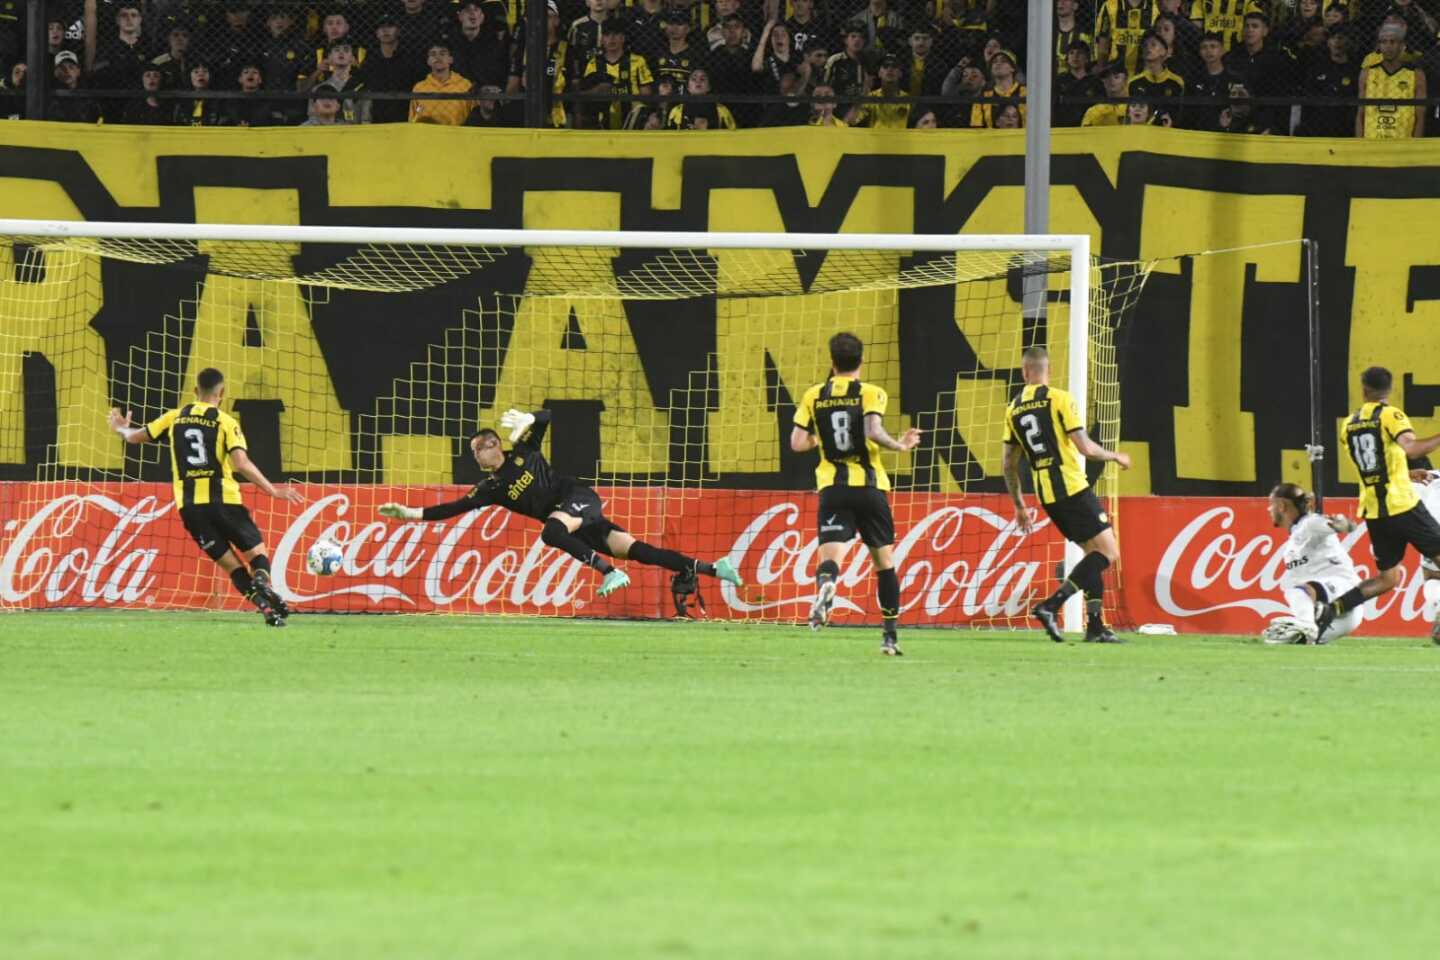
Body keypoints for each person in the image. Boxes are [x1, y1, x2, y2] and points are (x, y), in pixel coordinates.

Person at [377, 409, 742, 601]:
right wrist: (409, 514)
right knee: (640, 551)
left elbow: (548, 417)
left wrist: (532, 419)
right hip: (579, 519)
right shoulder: (490, 488)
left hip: (579, 500)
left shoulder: (524, 452)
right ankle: (714, 568)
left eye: (478, 449)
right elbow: (452, 508)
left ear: (493, 445)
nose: (475, 456)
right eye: (473, 452)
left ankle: (607, 572)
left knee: (551, 532)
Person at [106, 368, 303, 627]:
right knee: (256, 554)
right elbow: (241, 463)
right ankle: (262, 581)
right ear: (221, 393)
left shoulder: (173, 418)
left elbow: (133, 437)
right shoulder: (226, 422)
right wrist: (273, 490)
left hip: (191, 509)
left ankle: (265, 609)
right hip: (225, 501)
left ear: (195, 392)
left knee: (232, 567)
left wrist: (122, 428)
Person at [789, 333, 922, 656]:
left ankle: (826, 586)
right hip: (870, 489)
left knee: (829, 559)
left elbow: (796, 443)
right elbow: (873, 431)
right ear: (861, 362)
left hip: (833, 489)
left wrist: (819, 441)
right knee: (884, 563)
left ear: (832, 362)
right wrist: (901, 445)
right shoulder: (871, 393)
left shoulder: (814, 395)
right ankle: (889, 637)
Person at [1003, 346, 1132, 644]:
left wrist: (1020, 506)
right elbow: (1085, 448)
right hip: (1072, 488)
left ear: (1025, 372)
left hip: (1047, 495)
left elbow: (1009, 464)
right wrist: (1115, 456)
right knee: (1108, 553)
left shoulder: (1013, 409)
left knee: (1091, 554)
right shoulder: (1059, 399)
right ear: (1048, 370)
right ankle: (1051, 606)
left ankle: (1096, 625)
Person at [1317, 367, 1440, 641]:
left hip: (1375, 510)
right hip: (1403, 505)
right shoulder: (1390, 415)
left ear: (1363, 390)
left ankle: (1332, 609)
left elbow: (1372, 463)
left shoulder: (1348, 423)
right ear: (1390, 389)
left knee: (1388, 579)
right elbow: (1410, 448)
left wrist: (1405, 474)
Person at [1261, 483, 1362, 644]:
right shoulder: (1295, 536)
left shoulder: (1310, 524)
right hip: (1339, 618)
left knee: (1298, 591)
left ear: (1281, 505)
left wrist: (1341, 523)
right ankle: (1308, 629)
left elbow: (1340, 525)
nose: (1269, 510)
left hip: (1344, 591)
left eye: (1271, 505)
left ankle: (1307, 626)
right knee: (1293, 642)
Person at [1358, 22, 1425, 138]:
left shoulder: (1416, 74)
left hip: (1403, 142)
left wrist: (1415, 145)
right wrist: (1359, 143)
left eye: (1393, 42)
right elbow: (1360, 114)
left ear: (1402, 45)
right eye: (1383, 42)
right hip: (1372, 140)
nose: (1388, 46)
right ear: (1379, 45)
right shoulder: (1367, 73)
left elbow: (1420, 117)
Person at [409, 42, 474, 125]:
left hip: (458, 135)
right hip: (428, 135)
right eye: (433, 54)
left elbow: (474, 116)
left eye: (442, 54)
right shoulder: (419, 88)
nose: (438, 57)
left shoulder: (465, 85)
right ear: (428, 61)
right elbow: (412, 119)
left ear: (451, 59)